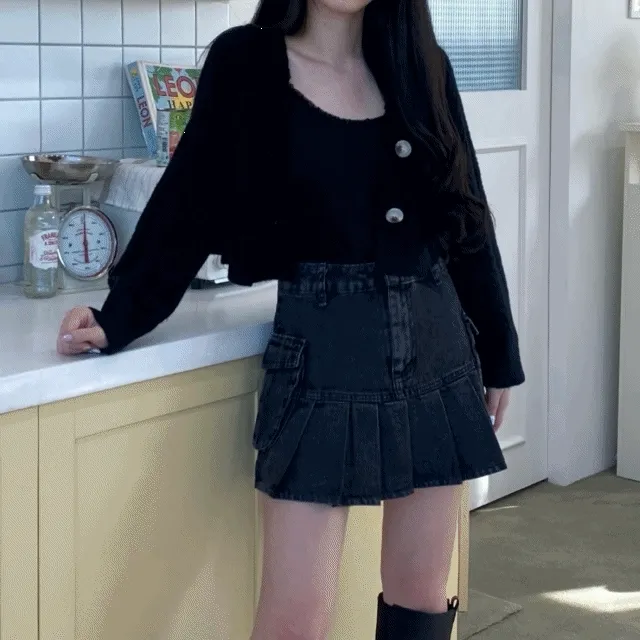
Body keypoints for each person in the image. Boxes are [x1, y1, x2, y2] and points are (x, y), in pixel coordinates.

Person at [56, 0, 525, 638]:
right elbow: (188, 201)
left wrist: (498, 351)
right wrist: (119, 316)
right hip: (322, 349)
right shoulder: (246, 62)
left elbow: (465, 212)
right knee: (293, 621)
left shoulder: (423, 65)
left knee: (420, 598)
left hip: (434, 341)